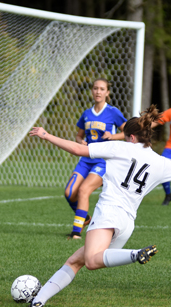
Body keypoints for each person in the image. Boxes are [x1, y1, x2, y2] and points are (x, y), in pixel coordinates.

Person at [28, 105, 171, 307]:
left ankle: (136, 254)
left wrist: (46, 135)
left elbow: (77, 149)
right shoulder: (161, 162)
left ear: (131, 137)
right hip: (127, 223)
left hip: (108, 214)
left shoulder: (119, 147)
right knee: (76, 260)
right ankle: (38, 301)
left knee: (91, 261)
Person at [64, 78, 127, 239]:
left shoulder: (113, 112)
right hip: (86, 159)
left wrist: (113, 136)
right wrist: (81, 141)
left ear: (107, 92)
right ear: (92, 91)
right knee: (69, 193)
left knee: (84, 190)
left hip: (103, 160)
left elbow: (128, 132)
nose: (98, 91)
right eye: (95, 88)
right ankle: (84, 218)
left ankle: (76, 232)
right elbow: (78, 136)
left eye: (101, 89)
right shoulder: (86, 114)